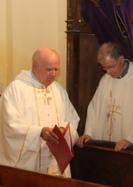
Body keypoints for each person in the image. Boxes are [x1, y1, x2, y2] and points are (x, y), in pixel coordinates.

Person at [0, 48, 80, 177]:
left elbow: (73, 119)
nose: (53, 74)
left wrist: (63, 131)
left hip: (55, 161)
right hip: (30, 163)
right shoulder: (16, 89)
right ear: (35, 66)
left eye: (56, 69)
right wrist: (39, 132)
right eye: (49, 69)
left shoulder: (59, 90)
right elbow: (9, 125)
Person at [77, 42, 133, 151]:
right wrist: (89, 133)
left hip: (128, 148)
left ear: (121, 59)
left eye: (111, 66)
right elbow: (94, 108)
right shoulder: (105, 80)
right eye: (104, 68)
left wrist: (131, 140)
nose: (108, 72)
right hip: (106, 147)